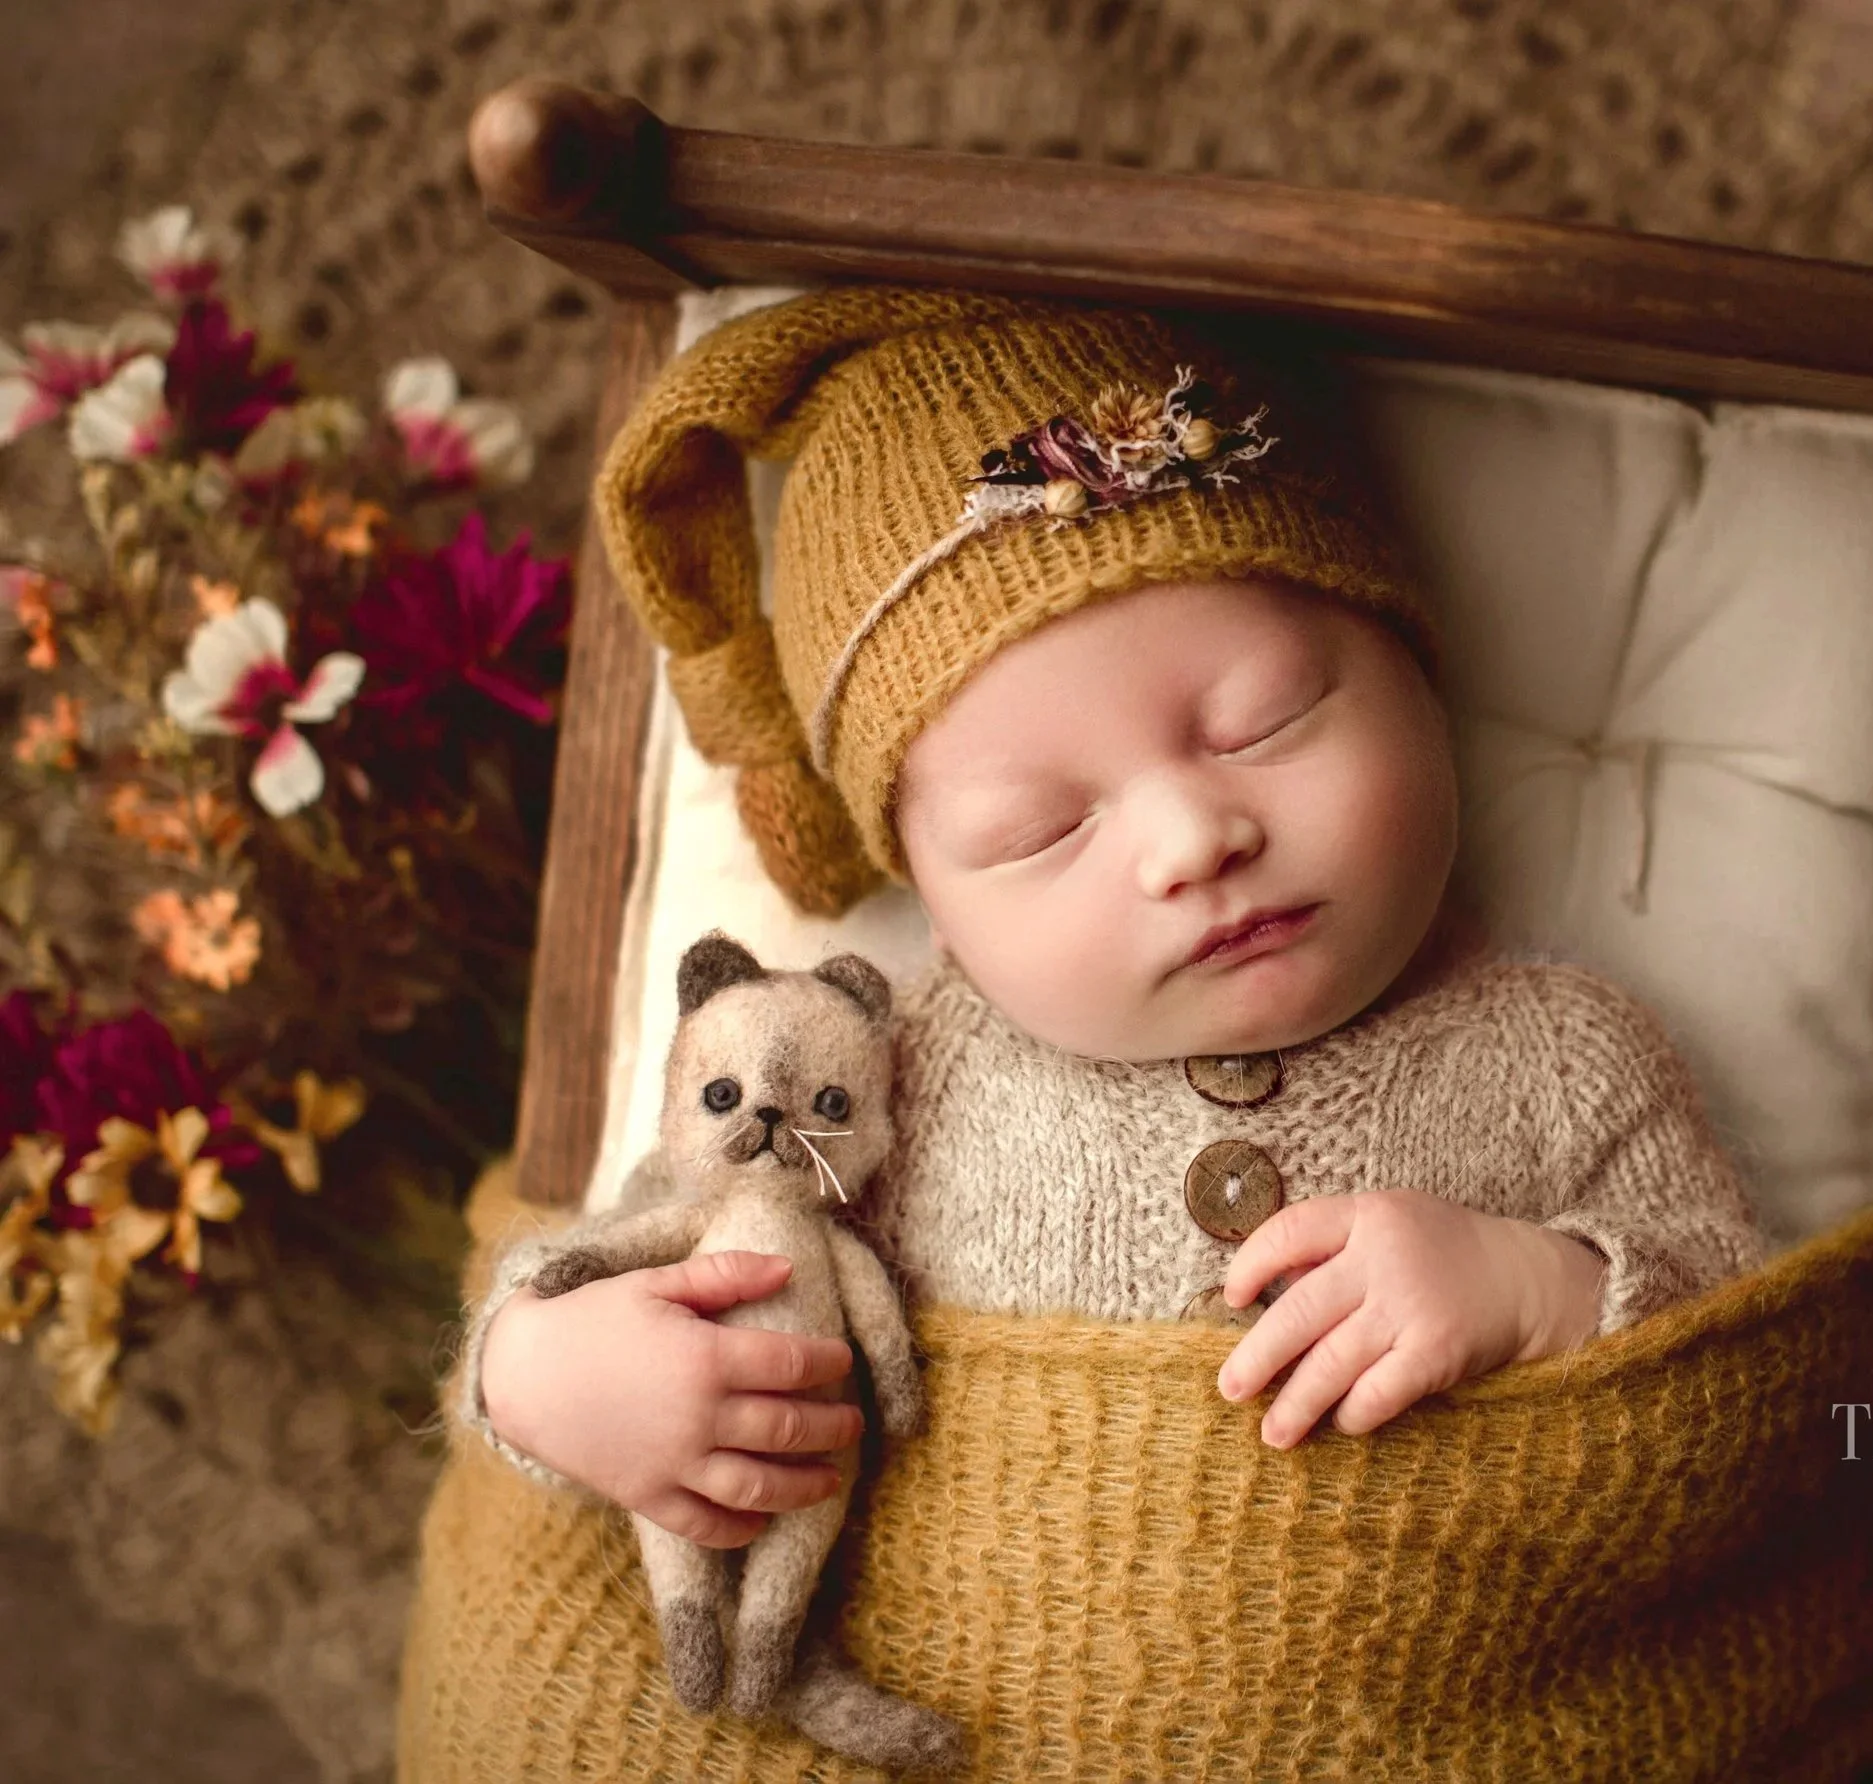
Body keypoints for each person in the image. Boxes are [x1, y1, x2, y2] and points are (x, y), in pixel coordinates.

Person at [457, 283, 1763, 1657]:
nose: (1193, 841)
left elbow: (1761, 1378)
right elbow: (643, 1242)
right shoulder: (872, 1083)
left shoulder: (1564, 1055)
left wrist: (1540, 1292)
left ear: (1416, 676)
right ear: (932, 898)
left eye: (1266, 722)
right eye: (1040, 828)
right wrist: (547, 1374)